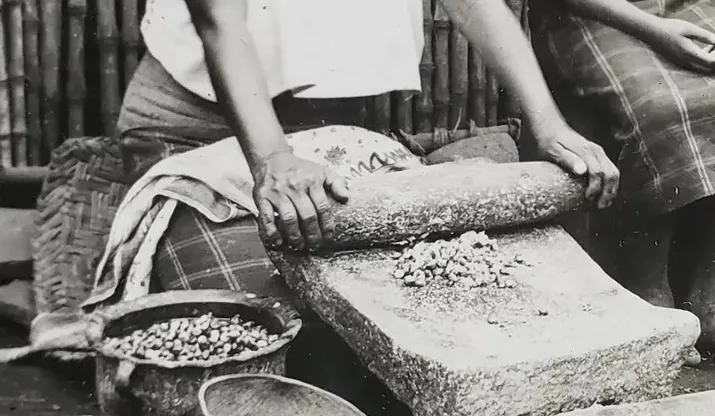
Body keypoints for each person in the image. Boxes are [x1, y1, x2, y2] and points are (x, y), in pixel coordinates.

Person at [111, 0, 619, 300]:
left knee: (412, 299)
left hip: (330, 146)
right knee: (279, 320)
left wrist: (549, 124)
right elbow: (220, 21)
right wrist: (272, 160)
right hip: (197, 136)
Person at [528, 0, 715, 375]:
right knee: (661, 111)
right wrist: (654, 29)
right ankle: (650, 293)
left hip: (679, 8)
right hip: (586, 15)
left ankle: (711, 298)